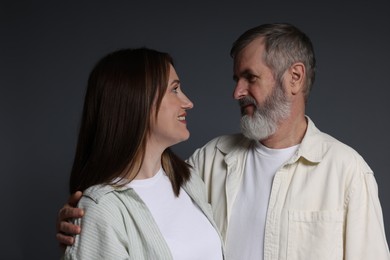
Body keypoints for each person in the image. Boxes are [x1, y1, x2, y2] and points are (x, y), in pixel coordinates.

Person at [57, 24, 390, 260]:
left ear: (295, 77)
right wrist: (83, 222)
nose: (236, 92)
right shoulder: (207, 161)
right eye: (236, 79)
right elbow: (136, 205)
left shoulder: (347, 172)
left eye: (250, 77)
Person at [60, 47, 224, 259]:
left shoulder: (189, 180)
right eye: (174, 90)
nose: (188, 102)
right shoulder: (102, 208)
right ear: (138, 101)